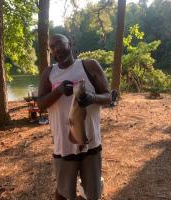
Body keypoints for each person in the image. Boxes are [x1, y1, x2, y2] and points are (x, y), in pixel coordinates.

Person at [37, 34, 113, 200]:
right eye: (52, 47)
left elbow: (108, 97)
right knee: (64, 192)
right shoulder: (49, 73)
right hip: (63, 144)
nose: (56, 50)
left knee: (92, 194)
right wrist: (58, 91)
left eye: (59, 44)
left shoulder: (89, 66)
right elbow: (40, 104)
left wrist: (92, 98)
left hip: (90, 143)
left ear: (70, 43)